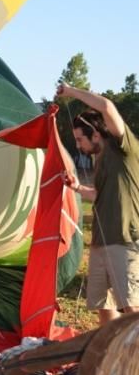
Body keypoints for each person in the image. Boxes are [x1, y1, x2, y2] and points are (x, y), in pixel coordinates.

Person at [57, 83, 139, 325]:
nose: (78, 145)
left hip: (125, 240)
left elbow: (106, 106)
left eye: (80, 139)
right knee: (104, 306)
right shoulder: (100, 161)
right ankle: (112, 356)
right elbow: (100, 195)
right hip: (100, 244)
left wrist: (70, 91)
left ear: (96, 133)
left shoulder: (123, 148)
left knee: (130, 308)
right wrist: (77, 188)